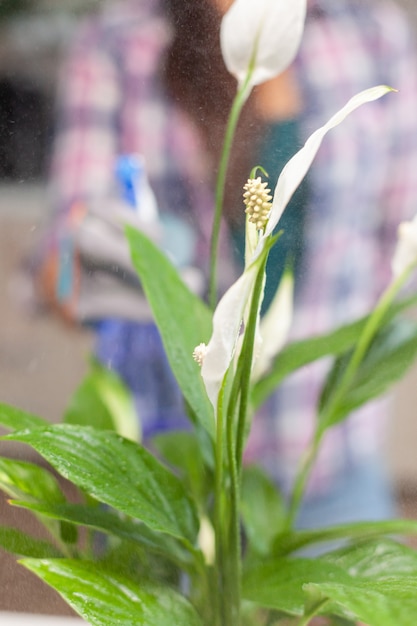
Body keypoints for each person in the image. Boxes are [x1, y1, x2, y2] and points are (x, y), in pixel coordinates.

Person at [44, 0, 417, 527]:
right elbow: (64, 269)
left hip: (329, 467)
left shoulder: (373, 33)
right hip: (172, 472)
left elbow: (399, 250)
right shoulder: (119, 42)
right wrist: (100, 258)